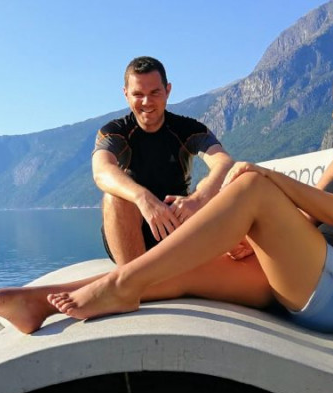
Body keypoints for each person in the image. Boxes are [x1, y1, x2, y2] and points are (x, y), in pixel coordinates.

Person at [0, 55, 333, 336]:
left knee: (252, 183)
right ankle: (32, 304)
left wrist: (266, 181)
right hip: (307, 274)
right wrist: (251, 240)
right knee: (178, 276)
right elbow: (310, 223)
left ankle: (119, 285)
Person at [93, 56, 233, 264]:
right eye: (138, 94)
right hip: (129, 231)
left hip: (176, 227)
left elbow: (224, 162)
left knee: (224, 187)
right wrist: (143, 199)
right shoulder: (114, 132)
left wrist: (198, 199)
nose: (146, 102)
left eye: (154, 93)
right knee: (113, 198)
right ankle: (133, 279)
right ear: (126, 95)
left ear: (167, 91)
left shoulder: (189, 130)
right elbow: (102, 170)